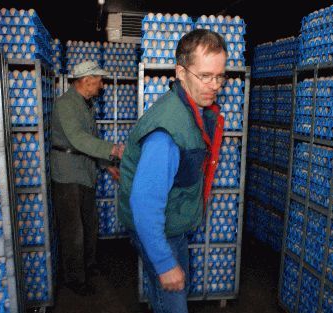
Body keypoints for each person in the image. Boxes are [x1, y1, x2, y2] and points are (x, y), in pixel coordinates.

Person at [118, 29, 227, 312]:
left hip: (171, 223)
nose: (214, 85)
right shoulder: (167, 130)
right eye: (205, 76)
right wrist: (165, 263)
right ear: (181, 72)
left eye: (219, 76)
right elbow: (144, 203)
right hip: (161, 229)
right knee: (174, 299)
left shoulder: (193, 111)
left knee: (166, 296)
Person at [51, 60, 124, 296]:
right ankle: (74, 278)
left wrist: (107, 165)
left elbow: (90, 140)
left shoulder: (85, 104)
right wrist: (113, 149)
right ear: (86, 80)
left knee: (89, 223)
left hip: (84, 170)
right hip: (68, 172)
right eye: (99, 80)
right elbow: (77, 139)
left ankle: (89, 265)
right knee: (73, 230)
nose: (101, 85)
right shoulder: (65, 104)